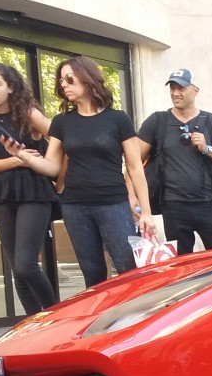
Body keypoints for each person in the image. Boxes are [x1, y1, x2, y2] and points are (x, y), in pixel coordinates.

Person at [9, 55, 153, 289]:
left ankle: (137, 321)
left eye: (69, 79)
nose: (64, 85)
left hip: (113, 203)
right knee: (92, 272)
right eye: (61, 81)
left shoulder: (118, 119)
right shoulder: (62, 122)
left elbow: (135, 167)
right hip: (75, 206)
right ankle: (102, 322)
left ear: (88, 80)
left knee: (128, 268)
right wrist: (23, 156)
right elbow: (52, 166)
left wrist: (146, 211)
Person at [0, 61, 58, 315]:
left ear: (10, 87)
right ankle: (32, 329)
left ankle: (57, 317)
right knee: (17, 270)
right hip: (1, 193)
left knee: (25, 264)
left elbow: (60, 136)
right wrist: (16, 159)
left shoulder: (28, 113)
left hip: (33, 189)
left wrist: (43, 162)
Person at [137, 68, 212, 255]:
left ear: (195, 90)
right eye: (172, 87)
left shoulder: (211, 121)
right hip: (173, 206)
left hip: (208, 204)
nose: (175, 93)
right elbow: (133, 161)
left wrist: (207, 149)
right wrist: (132, 197)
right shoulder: (158, 121)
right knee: (180, 267)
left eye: (181, 88)